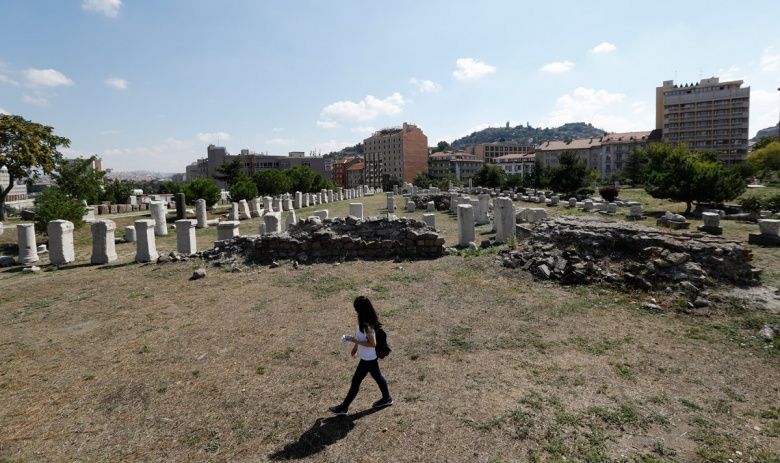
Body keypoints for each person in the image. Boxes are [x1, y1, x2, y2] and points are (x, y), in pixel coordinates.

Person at [329, 296, 393, 415]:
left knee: (356, 382)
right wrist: (355, 347)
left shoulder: (367, 325)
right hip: (367, 357)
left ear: (360, 310)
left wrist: (354, 341)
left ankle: (343, 408)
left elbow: (372, 343)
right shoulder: (363, 320)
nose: (355, 311)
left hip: (368, 358)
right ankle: (387, 398)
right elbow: (360, 337)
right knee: (377, 377)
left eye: (356, 309)